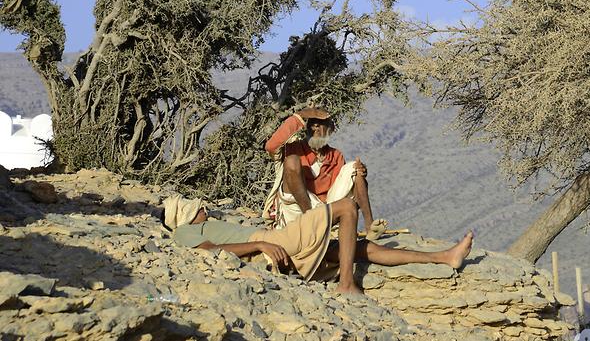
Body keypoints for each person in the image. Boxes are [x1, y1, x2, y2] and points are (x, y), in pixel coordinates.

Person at [162, 194, 473, 295]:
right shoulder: (185, 233)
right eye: (198, 207)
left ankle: (444, 257)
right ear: (189, 215)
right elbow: (209, 252)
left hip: (274, 245)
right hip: (268, 244)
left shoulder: (205, 224)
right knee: (347, 208)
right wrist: (258, 246)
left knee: (360, 249)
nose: (204, 208)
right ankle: (348, 285)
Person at [261, 108, 386, 239]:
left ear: (330, 129)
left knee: (354, 168)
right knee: (291, 161)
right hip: (296, 208)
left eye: (321, 124)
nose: (316, 128)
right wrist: (300, 115)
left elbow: (339, 192)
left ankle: (370, 227)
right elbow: (270, 147)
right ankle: (310, 218)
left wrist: (360, 171)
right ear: (307, 127)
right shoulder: (292, 148)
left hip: (322, 209)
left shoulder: (336, 156)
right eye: (312, 123)